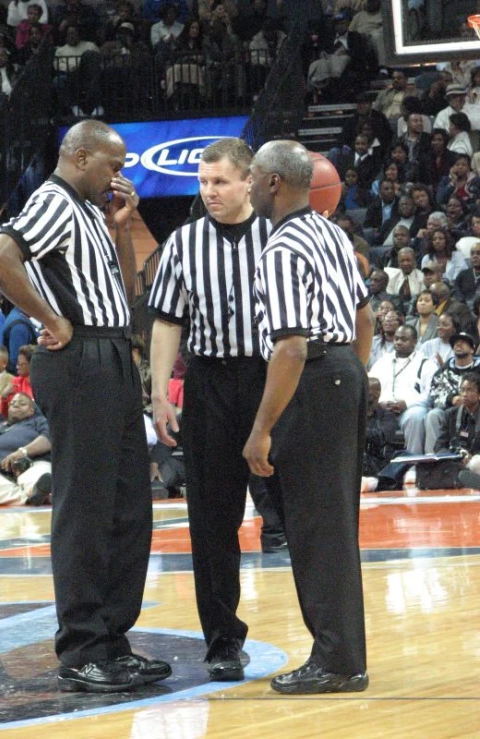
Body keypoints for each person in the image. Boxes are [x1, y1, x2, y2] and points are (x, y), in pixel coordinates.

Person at [0, 120, 169, 692]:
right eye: (113, 165)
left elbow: (122, 290)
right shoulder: (54, 199)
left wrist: (119, 229)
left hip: (111, 351)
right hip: (79, 356)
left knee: (127, 506)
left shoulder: (91, 210)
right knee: (87, 508)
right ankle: (83, 648)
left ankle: (113, 640)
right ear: (80, 156)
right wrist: (47, 316)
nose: (120, 175)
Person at [149, 137, 285, 682]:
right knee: (211, 520)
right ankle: (223, 640)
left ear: (249, 180)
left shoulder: (280, 237)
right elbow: (166, 321)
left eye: (220, 181)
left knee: (299, 514)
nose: (209, 192)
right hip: (208, 384)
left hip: (272, 379)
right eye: (203, 183)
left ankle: (329, 640)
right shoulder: (182, 243)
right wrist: (160, 391)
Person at [243, 139, 374, 694]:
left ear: (274, 182)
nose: (247, 184)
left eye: (251, 175)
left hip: (314, 376)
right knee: (335, 526)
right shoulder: (332, 233)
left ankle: (336, 662)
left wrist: (261, 428)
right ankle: (343, 655)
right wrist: (349, 376)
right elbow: (364, 316)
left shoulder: (280, 248)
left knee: (316, 527)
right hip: (341, 372)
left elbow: (291, 347)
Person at [369, 324, 437, 453]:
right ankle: (375, 462)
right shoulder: (383, 361)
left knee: (415, 416)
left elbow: (430, 394)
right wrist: (379, 403)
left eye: (403, 339)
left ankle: (412, 463)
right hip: (383, 409)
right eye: (396, 339)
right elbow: (370, 383)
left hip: (410, 409)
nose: (398, 342)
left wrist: (406, 404)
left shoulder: (426, 363)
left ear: (415, 342)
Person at [424, 332, 480, 453]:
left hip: (476, 409)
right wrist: (451, 399)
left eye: (463, 342)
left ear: (472, 349)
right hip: (448, 410)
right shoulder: (444, 369)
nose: (458, 344)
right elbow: (434, 393)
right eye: (455, 343)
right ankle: (432, 458)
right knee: (432, 415)